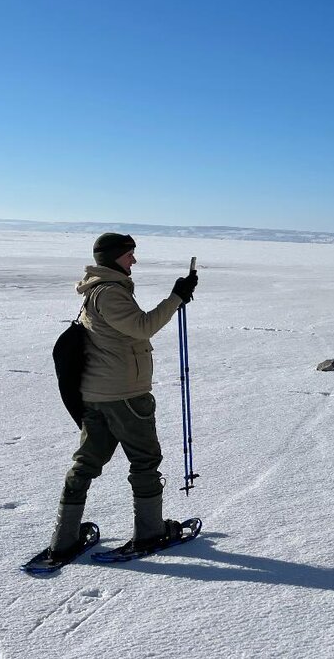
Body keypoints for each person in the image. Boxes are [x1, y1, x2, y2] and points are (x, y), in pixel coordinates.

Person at [46, 232, 198, 560]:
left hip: (99, 394)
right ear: (114, 257)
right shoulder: (110, 293)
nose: (134, 260)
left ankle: (65, 537)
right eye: (129, 254)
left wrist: (177, 297)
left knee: (86, 462)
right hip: (125, 396)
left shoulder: (98, 289)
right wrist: (176, 298)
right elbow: (142, 327)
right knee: (144, 462)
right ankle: (149, 533)